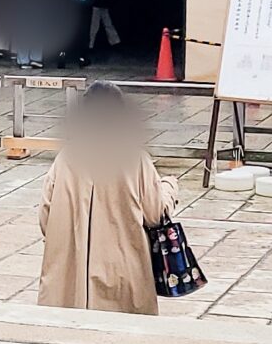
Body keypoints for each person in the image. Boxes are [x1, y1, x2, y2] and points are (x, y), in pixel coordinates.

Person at [37, 83, 174, 313]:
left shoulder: (66, 158)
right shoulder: (135, 159)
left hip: (70, 280)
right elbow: (154, 213)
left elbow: (45, 218)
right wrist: (169, 187)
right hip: (122, 273)